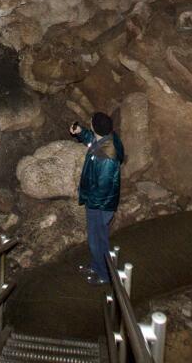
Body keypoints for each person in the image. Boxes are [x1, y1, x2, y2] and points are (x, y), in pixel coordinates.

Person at [68, 112, 124, 285]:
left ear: (96, 127)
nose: (90, 124)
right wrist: (79, 132)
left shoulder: (107, 156)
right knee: (97, 239)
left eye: (91, 123)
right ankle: (96, 266)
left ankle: (105, 275)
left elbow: (104, 186)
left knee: (98, 240)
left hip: (100, 205)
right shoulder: (107, 139)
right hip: (98, 202)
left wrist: (91, 203)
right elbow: (93, 140)